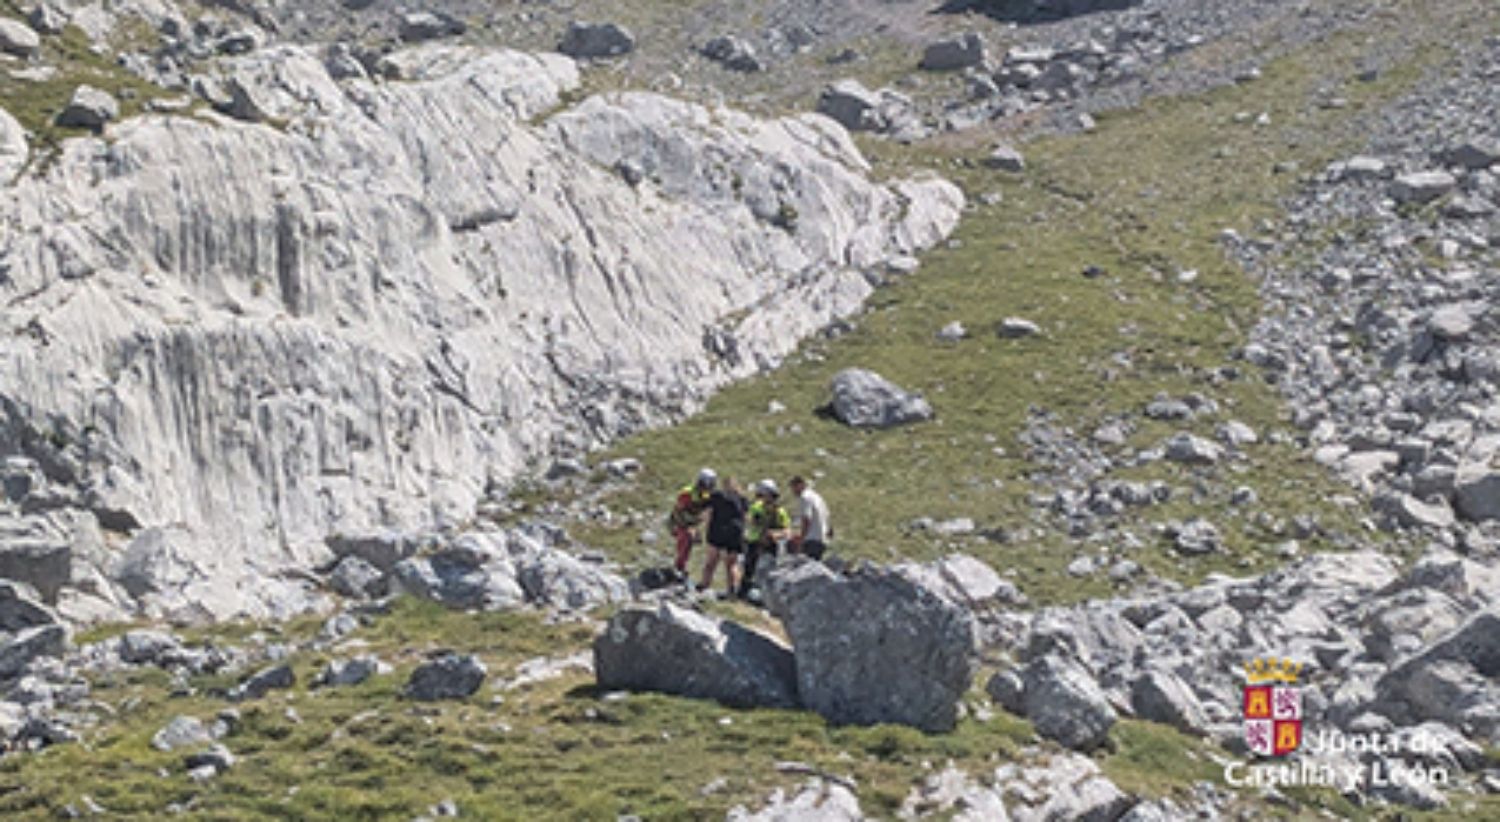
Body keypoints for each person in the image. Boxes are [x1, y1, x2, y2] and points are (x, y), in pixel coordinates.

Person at [737, 478, 791, 600]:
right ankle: (743, 593)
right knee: (748, 568)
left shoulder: (780, 512)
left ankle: (764, 596)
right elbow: (748, 519)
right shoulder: (756, 507)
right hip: (753, 542)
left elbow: (787, 531)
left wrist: (774, 534)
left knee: (767, 571)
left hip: (769, 544)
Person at [699, 477, 748, 596]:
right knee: (732, 564)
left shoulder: (717, 495)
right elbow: (745, 516)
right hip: (735, 533)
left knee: (711, 562)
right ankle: (733, 589)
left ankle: (704, 585)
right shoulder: (742, 499)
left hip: (718, 531)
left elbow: (706, 510)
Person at [669, 468, 716, 579]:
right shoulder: (687, 493)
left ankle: (681, 567)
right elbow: (679, 511)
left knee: (689, 544)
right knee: (685, 541)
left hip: (692, 523)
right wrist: (688, 525)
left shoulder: (705, 494)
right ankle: (679, 568)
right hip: (680, 522)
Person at [788, 475, 831, 561]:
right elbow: (827, 516)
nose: (793, 491)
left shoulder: (805, 498)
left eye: (794, 487)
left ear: (800, 485)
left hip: (811, 539)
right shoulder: (817, 497)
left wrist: (801, 539)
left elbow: (806, 519)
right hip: (821, 538)